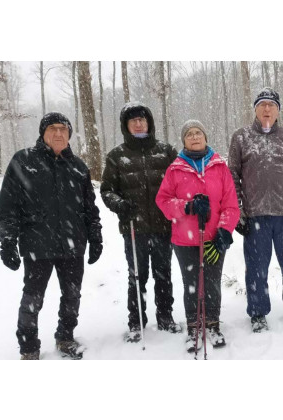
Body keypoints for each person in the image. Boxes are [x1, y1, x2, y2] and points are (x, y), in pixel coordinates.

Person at [0, 112, 103, 360]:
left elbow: (90, 207)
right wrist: (7, 242)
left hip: (73, 244)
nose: (58, 133)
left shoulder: (78, 167)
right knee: (32, 299)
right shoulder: (23, 161)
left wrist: (95, 236)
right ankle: (29, 348)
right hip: (37, 244)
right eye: (52, 128)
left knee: (72, 295)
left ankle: (65, 337)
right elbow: (8, 206)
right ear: (43, 133)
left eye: (63, 129)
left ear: (69, 134)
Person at [228, 87, 283, 333]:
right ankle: (258, 313)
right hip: (255, 216)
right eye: (262, 105)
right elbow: (232, 178)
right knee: (256, 269)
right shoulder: (241, 137)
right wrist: (239, 214)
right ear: (255, 109)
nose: (267, 109)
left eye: (271, 105)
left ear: (277, 111)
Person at [156, 120, 239, 352]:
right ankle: (194, 326)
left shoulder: (219, 167)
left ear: (205, 137)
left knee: (212, 282)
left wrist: (224, 230)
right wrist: (187, 206)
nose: (194, 137)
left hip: (213, 238)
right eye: (189, 134)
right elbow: (163, 200)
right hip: (184, 240)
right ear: (184, 141)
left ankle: (212, 324)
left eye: (198, 133)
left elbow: (231, 204)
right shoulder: (175, 169)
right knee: (191, 283)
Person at [101, 102, 180, 343]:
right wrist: (119, 204)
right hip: (134, 227)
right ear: (126, 125)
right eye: (133, 120)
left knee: (163, 273)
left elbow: (180, 183)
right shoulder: (117, 156)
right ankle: (136, 321)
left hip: (163, 225)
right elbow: (107, 190)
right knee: (137, 276)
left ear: (149, 122)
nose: (138, 123)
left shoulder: (166, 152)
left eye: (142, 119)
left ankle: (165, 316)